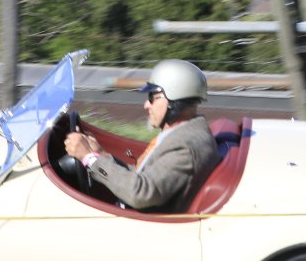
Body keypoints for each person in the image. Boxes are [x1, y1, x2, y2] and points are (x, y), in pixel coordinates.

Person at [63, 58, 220, 212]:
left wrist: (89, 158)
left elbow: (141, 193)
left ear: (173, 100)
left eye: (152, 97)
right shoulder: (184, 133)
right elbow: (142, 175)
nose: (146, 105)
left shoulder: (184, 146)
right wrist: (101, 155)